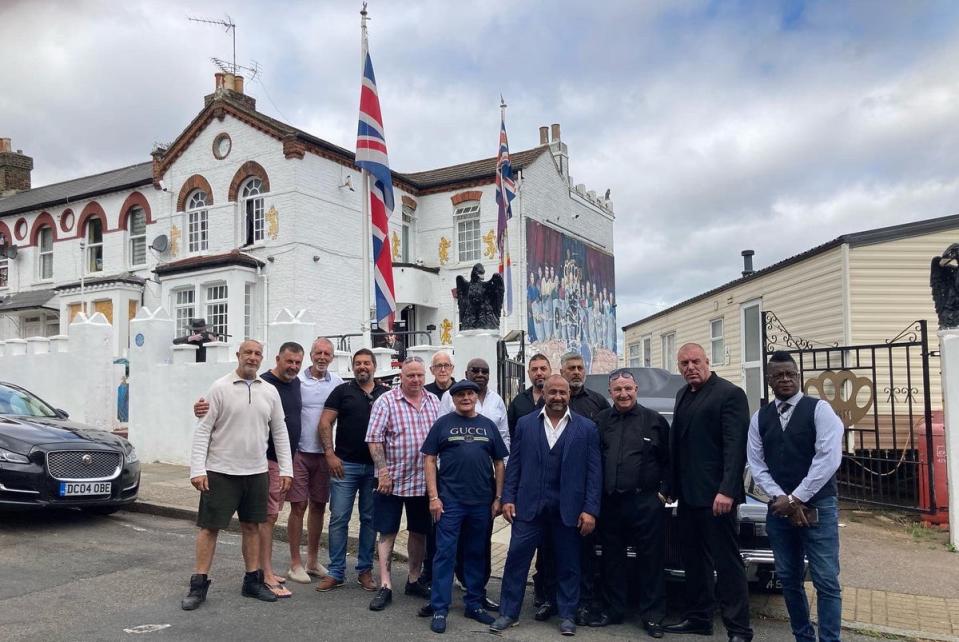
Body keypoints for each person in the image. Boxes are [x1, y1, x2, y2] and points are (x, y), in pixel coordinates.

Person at [181, 340, 293, 611]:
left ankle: (252, 582)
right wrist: (197, 469)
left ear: (262, 358)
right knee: (209, 528)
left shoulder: (270, 392)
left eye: (257, 354)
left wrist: (286, 469)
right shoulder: (219, 388)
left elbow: (279, 431)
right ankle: (198, 585)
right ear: (238, 356)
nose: (252, 358)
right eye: (248, 353)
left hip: (257, 472)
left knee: (252, 527)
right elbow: (203, 429)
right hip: (220, 471)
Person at [490, 375, 601, 637]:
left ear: (569, 396)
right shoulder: (527, 424)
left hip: (569, 509)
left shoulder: (586, 428)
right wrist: (508, 498)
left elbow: (594, 472)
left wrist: (590, 509)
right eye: (553, 392)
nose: (558, 397)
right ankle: (508, 612)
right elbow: (514, 464)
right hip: (529, 508)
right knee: (516, 560)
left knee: (569, 563)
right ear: (544, 393)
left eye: (563, 393)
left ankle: (567, 615)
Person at [747, 351, 843, 642]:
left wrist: (796, 498)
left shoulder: (820, 410)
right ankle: (803, 636)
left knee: (826, 580)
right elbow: (756, 463)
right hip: (778, 509)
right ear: (769, 380)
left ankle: (829, 639)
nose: (785, 379)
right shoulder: (760, 417)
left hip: (818, 506)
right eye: (779, 375)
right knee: (788, 578)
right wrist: (781, 498)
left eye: (790, 374)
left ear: (798, 375)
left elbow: (828, 459)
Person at [664, 343, 753, 641]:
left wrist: (727, 490)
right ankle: (700, 618)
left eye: (695, 361)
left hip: (718, 498)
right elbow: (679, 444)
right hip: (688, 497)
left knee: (726, 563)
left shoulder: (729, 394)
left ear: (707, 361)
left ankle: (739, 629)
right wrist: (671, 487)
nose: (690, 367)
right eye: (684, 363)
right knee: (694, 562)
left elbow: (735, 447)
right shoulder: (682, 394)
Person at [421, 379, 508, 634]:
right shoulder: (443, 424)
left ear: (476, 397)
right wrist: (433, 497)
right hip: (450, 502)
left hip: (482, 503)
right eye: (460, 395)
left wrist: (498, 497)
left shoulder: (488, 425)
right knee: (444, 554)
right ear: (454, 399)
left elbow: (500, 463)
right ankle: (439, 607)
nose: (466, 398)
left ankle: (474, 604)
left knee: (476, 554)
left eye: (470, 394)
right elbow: (429, 459)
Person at [590, 369, 669, 637]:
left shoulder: (654, 420)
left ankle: (653, 616)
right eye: (617, 389)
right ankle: (614, 610)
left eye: (628, 388)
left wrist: (664, 493)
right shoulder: (600, 421)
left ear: (636, 389)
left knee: (651, 560)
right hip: (611, 503)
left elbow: (670, 460)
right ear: (610, 393)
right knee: (612, 560)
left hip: (645, 502)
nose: (623, 394)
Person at [365, 356, 439, 611]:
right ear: (402, 376)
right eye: (411, 376)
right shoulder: (386, 401)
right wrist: (382, 472)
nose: (416, 380)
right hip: (391, 481)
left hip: (422, 482)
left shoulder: (434, 401)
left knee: (419, 531)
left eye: (420, 375)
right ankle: (385, 584)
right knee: (387, 531)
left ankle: (414, 579)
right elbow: (374, 439)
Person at [315, 348, 390, 592]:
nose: (362, 367)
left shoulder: (386, 394)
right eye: (358, 363)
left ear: (374, 367)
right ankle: (336, 571)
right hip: (344, 466)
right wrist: (329, 454)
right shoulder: (342, 392)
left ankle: (365, 570)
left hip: (375, 469)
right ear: (352, 366)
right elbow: (325, 422)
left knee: (370, 520)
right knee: (339, 518)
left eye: (366, 363)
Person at [286, 337, 343, 583]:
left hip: (324, 455)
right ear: (311, 355)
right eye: (318, 352)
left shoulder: (338, 383)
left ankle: (311, 560)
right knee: (298, 506)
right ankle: (294, 563)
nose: (322, 357)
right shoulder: (297, 381)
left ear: (332, 357)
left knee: (319, 505)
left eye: (327, 354)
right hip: (299, 452)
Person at [560, 351, 609, 625]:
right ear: (562, 371)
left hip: (587, 491)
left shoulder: (597, 402)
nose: (577, 372)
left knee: (587, 552)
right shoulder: (554, 399)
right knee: (556, 551)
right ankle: (553, 599)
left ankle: (585, 602)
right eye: (571, 368)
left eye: (580, 368)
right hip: (557, 493)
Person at [505, 352, 555, 619]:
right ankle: (510, 607)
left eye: (542, 368)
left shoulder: (559, 400)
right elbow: (513, 449)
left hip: (555, 491)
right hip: (526, 488)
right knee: (519, 550)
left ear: (550, 370)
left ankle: (545, 595)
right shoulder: (519, 404)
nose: (538, 373)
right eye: (534, 369)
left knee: (549, 550)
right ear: (529, 374)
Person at [420, 350, 456, 590]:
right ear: (431, 371)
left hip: (455, 470)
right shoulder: (426, 394)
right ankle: (429, 571)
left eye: (446, 365)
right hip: (432, 468)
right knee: (431, 525)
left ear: (452, 368)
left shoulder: (461, 393)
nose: (442, 370)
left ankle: (456, 571)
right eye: (437, 366)